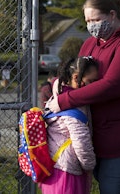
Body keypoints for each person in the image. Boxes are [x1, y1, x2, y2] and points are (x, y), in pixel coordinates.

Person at [46, 0, 120, 194]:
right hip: (100, 136)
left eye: (96, 19)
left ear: (112, 15)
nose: (92, 25)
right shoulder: (90, 43)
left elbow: (114, 84)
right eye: (88, 20)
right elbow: (77, 77)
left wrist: (65, 101)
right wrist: (57, 85)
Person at [40, 56, 98, 194]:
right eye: (91, 81)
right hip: (68, 173)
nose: (95, 86)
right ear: (76, 77)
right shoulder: (74, 106)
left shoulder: (57, 96)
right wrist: (89, 165)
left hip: (53, 166)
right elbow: (81, 141)